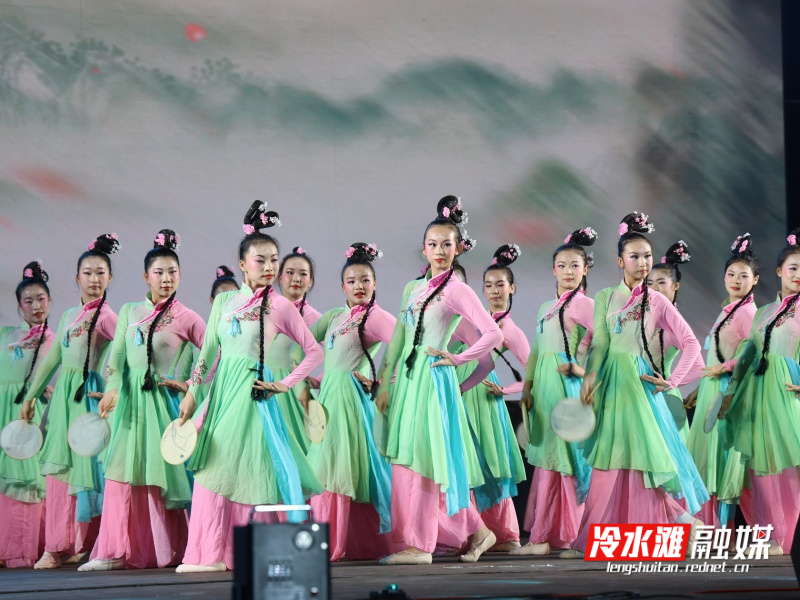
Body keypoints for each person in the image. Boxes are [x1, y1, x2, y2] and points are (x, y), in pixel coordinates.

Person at [175, 201, 323, 572]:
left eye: (274, 260)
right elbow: (208, 353)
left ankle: (262, 555)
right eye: (261, 260)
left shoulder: (281, 306)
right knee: (212, 467)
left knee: (257, 470)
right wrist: (193, 392)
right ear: (243, 264)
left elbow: (314, 351)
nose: (270, 267)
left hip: (255, 396)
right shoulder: (224, 301)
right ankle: (208, 554)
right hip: (221, 395)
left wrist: (284, 384)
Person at [563, 212, 706, 559]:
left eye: (647, 256)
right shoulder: (604, 297)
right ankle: (596, 537)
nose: (642, 263)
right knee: (608, 464)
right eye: (634, 256)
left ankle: (670, 526)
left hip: (637, 386)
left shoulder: (657, 300)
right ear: (620, 261)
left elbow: (691, 343)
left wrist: (672, 380)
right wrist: (590, 378)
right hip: (610, 384)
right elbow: (600, 344)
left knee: (638, 464)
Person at [375, 195, 503, 565]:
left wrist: (458, 358)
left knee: (426, 460)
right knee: (411, 460)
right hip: (409, 382)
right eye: (433, 244)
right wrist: (385, 382)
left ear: (458, 248)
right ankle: (476, 531)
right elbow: (398, 340)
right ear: (424, 249)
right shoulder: (412, 289)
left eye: (447, 244)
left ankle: (419, 546)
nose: (440, 251)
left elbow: (492, 333)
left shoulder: (457, 289)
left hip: (432, 382)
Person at [79, 230, 206, 571]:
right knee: (120, 476)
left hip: (159, 405)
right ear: (145, 276)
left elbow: (215, 353)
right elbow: (118, 357)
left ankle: (164, 550)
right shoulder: (129, 311)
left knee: (156, 476)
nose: (166, 279)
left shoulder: (187, 316)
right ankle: (111, 551)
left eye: (172, 272)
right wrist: (113, 388)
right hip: (128, 406)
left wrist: (190, 386)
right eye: (159, 272)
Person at [22, 234, 120, 569]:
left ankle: (79, 543)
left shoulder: (107, 316)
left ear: (110, 278)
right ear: (77, 277)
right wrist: (31, 396)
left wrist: (114, 387)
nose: (94, 279)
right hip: (64, 399)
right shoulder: (67, 316)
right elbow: (52, 362)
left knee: (84, 472)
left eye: (101, 273)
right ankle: (56, 545)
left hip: (87, 399)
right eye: (88, 273)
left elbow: (125, 354)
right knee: (58, 473)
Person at [306, 242, 403, 561]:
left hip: (349, 400)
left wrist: (380, 381)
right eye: (352, 281)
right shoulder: (336, 316)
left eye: (365, 280)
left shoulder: (377, 317)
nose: (358, 286)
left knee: (339, 467)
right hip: (328, 397)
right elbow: (303, 344)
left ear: (375, 284)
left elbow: (403, 346)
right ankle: (336, 540)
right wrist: (311, 378)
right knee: (328, 466)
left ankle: (334, 543)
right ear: (342, 286)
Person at [512, 228, 596, 556]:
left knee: (569, 463)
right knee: (550, 462)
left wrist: (583, 370)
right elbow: (536, 350)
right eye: (562, 265)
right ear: (553, 270)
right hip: (544, 389)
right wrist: (527, 386)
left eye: (575, 265)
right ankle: (549, 536)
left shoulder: (585, 304)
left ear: (585, 269)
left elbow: (608, 341)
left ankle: (562, 536)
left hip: (566, 390)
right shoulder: (547, 306)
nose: (568, 271)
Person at [720, 227, 800, 555]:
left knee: (792, 467)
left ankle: (790, 535)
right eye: (793, 268)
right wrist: (731, 392)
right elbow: (748, 356)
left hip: (789, 394)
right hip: (758, 395)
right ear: (779, 271)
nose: (798, 274)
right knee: (763, 468)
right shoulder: (764, 312)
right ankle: (772, 533)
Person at [685, 233, 758, 528]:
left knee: (722, 462)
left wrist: (723, 368)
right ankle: (710, 528)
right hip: (712, 390)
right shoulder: (729, 309)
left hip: (728, 392)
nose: (736, 280)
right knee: (709, 461)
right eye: (731, 274)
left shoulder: (748, 312)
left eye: (743, 275)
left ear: (756, 279)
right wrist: (701, 385)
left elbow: (754, 353)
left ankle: (721, 530)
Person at [0, 262, 55, 567]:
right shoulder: (6, 334)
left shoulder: (54, 339)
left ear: (50, 301)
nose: (35, 306)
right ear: (20, 306)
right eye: (28, 301)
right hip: (2, 411)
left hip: (27, 414)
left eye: (41, 299)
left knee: (24, 481)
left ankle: (20, 549)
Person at [269, 246, 323, 453]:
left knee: (291, 453)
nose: (296, 279)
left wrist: (316, 381)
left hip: (291, 394)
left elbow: (341, 353)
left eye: (303, 274)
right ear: (279, 277)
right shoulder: (265, 309)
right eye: (290, 272)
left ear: (310, 281)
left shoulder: (312, 317)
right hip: (260, 385)